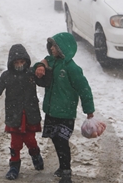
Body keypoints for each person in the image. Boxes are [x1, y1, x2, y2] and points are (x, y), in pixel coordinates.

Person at [35, 32, 95, 183]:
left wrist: (89, 110)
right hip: (51, 110)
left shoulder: (72, 68)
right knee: (55, 140)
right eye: (51, 46)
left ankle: (67, 172)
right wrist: (40, 66)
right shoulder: (51, 61)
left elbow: (84, 88)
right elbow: (40, 63)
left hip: (66, 113)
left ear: (64, 48)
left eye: (55, 46)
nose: (52, 49)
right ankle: (62, 166)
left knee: (62, 141)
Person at [0, 44, 52, 180]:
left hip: (29, 113)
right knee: (15, 143)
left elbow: (45, 82)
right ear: (11, 63)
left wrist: (44, 70)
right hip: (14, 114)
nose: (19, 65)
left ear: (26, 61)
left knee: (30, 140)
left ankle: (35, 154)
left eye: (22, 62)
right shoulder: (7, 75)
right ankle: (14, 166)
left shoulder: (31, 73)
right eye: (16, 62)